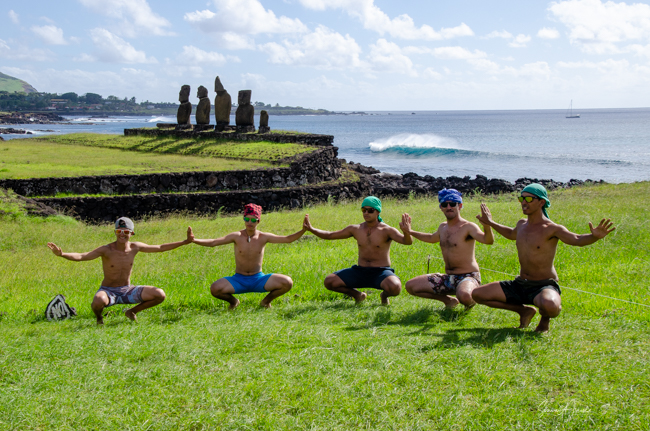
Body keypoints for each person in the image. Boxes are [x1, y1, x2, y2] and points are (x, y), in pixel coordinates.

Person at [472, 183, 615, 332]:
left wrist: (594, 236)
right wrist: (490, 222)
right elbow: (510, 234)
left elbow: (577, 239)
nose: (524, 202)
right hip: (520, 284)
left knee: (551, 306)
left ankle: (545, 320)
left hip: (543, 286)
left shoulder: (552, 229)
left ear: (541, 202)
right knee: (478, 294)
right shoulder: (521, 224)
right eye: (521, 198)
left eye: (528, 199)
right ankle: (524, 311)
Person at [47, 217, 194, 325]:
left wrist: (185, 242)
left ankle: (131, 312)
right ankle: (99, 318)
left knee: (159, 294)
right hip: (108, 291)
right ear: (115, 232)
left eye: (125, 232)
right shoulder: (106, 249)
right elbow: (82, 256)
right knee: (98, 302)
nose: (122, 234)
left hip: (127, 290)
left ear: (132, 233)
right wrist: (62, 254)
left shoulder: (135, 247)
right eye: (119, 231)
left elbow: (160, 247)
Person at [193, 203, 305, 310]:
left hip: (258, 279)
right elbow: (213, 242)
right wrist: (193, 240)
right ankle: (234, 302)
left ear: (258, 221)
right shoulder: (236, 236)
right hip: (238, 280)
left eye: (253, 220)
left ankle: (265, 302)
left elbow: (288, 239)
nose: (249, 222)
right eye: (247, 219)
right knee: (215, 288)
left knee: (287, 282)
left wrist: (304, 230)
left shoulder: (263, 237)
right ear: (244, 219)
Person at [303, 196, 412, 305]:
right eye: (363, 210)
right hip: (360, 271)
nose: (366, 213)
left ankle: (384, 296)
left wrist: (407, 232)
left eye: (370, 210)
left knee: (395, 287)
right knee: (329, 281)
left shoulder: (387, 230)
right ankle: (358, 295)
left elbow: (407, 242)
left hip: (381, 272)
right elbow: (329, 235)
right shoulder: (355, 229)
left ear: (378, 212)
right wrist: (311, 229)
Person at [404, 188, 494, 309]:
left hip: (468, 276)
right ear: (441, 207)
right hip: (449, 278)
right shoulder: (443, 227)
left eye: (452, 204)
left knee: (465, 296)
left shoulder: (468, 227)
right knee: (411, 286)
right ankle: (449, 301)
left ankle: (469, 299)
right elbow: (431, 238)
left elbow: (488, 240)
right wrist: (410, 231)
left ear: (459, 206)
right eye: (444, 204)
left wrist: (487, 226)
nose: (448, 207)